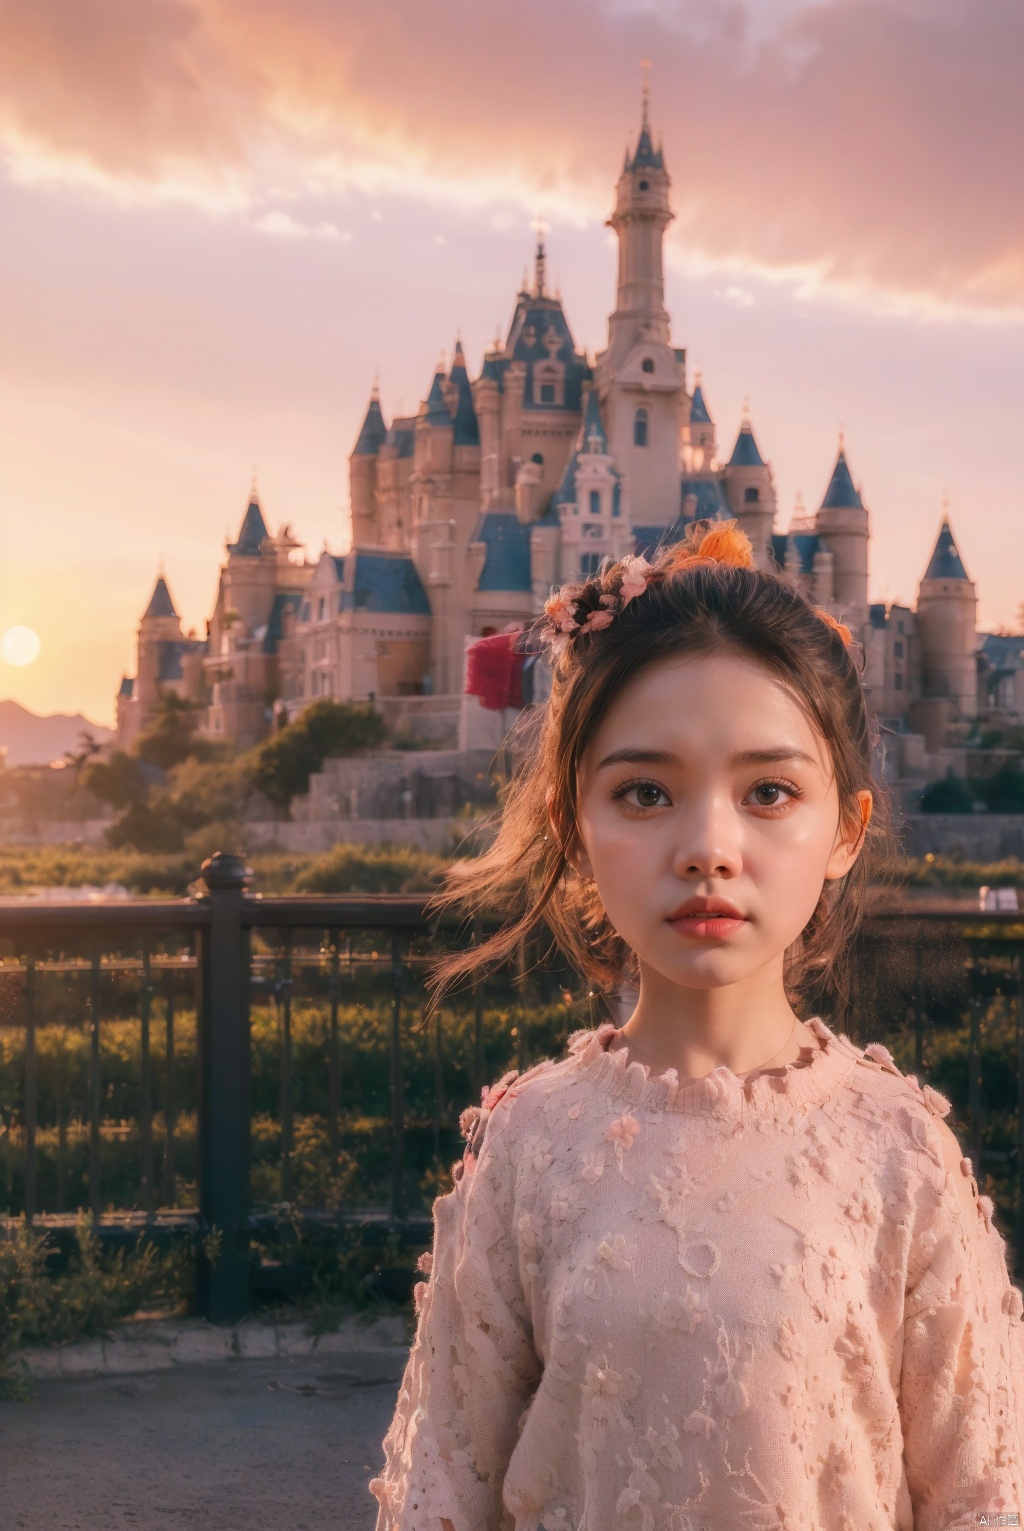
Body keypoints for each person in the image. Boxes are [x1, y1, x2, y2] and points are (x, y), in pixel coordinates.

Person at [369, 520, 1024, 1531]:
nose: (708, 846)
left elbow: (983, 1497)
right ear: (570, 828)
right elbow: (442, 1495)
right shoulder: (531, 1148)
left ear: (844, 831)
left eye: (768, 792)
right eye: (644, 793)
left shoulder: (902, 1156)